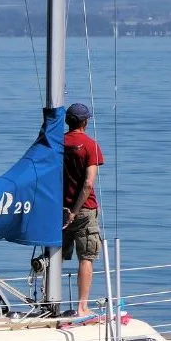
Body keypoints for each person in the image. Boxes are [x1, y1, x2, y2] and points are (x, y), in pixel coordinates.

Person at [62, 102, 104, 317]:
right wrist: (75, 211)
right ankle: (82, 307)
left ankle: (48, 302)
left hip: (57, 210)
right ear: (86, 121)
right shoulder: (90, 145)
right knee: (86, 257)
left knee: (53, 255)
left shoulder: (56, 143)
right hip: (83, 211)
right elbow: (88, 183)